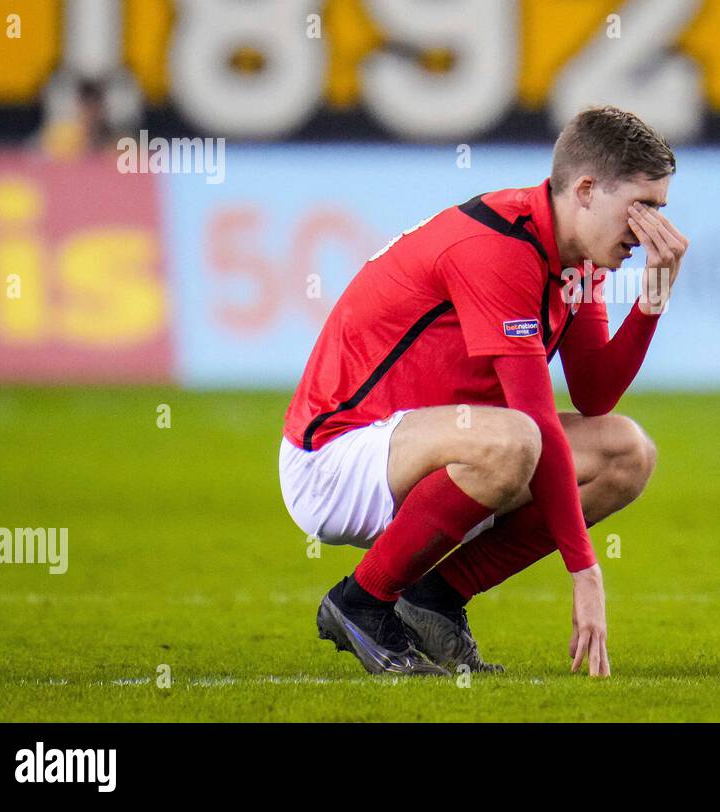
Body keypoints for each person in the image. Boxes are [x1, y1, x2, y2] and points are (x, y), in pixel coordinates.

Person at [280, 105, 689, 677]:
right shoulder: (499, 245)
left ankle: (433, 597)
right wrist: (584, 569)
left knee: (626, 454)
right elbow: (536, 423)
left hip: (434, 451)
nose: (651, 230)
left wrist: (652, 297)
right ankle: (360, 602)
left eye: (660, 210)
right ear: (588, 190)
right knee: (517, 439)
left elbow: (595, 394)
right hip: (337, 457)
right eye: (641, 209)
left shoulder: (577, 259)